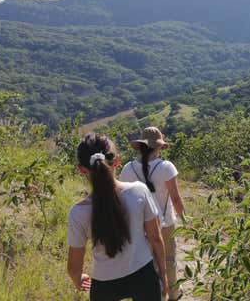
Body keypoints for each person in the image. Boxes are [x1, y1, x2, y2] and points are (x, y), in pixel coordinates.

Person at [67, 133, 167, 301]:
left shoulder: (78, 213)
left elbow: (74, 267)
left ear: (81, 169)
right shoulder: (139, 192)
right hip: (143, 275)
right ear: (116, 161)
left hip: (104, 283)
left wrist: (78, 280)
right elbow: (155, 238)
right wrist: (163, 277)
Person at [120, 127, 185, 301]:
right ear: (158, 147)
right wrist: (185, 221)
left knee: (145, 264)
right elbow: (176, 199)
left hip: (138, 226)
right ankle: (172, 294)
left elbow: (122, 198)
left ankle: (153, 295)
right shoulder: (166, 167)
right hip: (165, 224)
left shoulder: (128, 169)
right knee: (168, 260)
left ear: (141, 146)